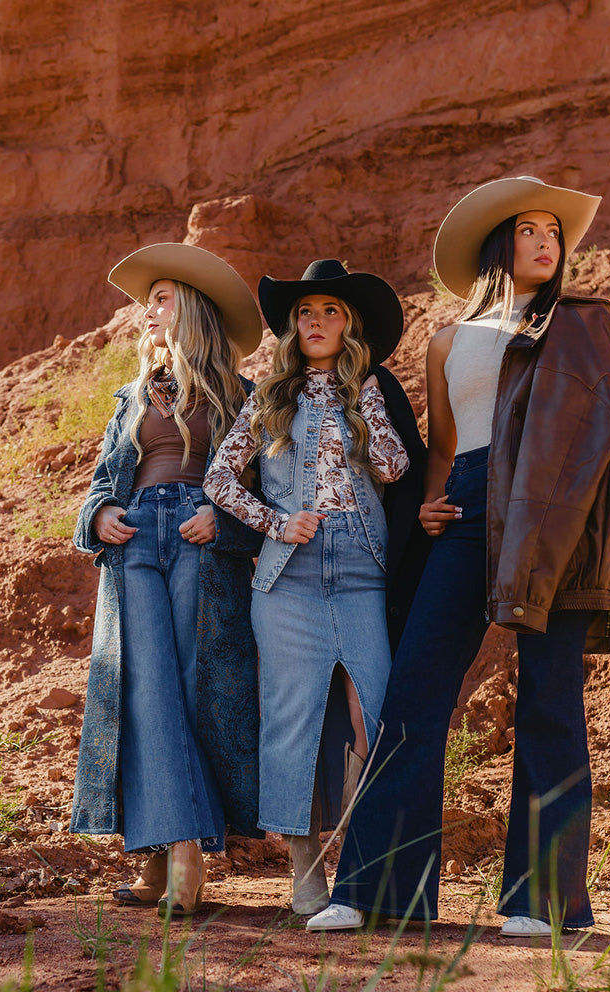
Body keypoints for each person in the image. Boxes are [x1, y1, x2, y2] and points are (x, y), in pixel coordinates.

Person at [307, 176, 610, 934]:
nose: (547, 240)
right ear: (500, 245)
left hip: (552, 518)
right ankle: (376, 890)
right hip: (464, 507)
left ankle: (544, 901)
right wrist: (428, 504)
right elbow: (445, 448)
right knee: (418, 688)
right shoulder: (448, 341)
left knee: (549, 695)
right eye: (530, 229)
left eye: (554, 232)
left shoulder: (579, 327)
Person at [204, 258, 418, 914]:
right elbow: (218, 479)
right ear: (292, 328)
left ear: (348, 324)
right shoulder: (270, 397)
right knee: (292, 723)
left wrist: (367, 393)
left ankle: (369, 865)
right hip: (288, 579)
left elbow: (394, 464)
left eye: (330, 312)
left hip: (360, 572)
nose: (317, 322)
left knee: (377, 717)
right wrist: (274, 521)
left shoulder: (368, 388)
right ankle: (305, 875)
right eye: (306, 313)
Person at [71, 243, 264, 917]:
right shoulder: (130, 397)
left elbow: (263, 488)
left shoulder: (240, 395)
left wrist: (223, 520)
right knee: (144, 688)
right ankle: (173, 852)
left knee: (190, 686)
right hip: (135, 542)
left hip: (200, 541)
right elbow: (100, 483)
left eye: (160, 298)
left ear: (194, 312)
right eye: (146, 300)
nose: (146, 311)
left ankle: (166, 855)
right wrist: (100, 515)